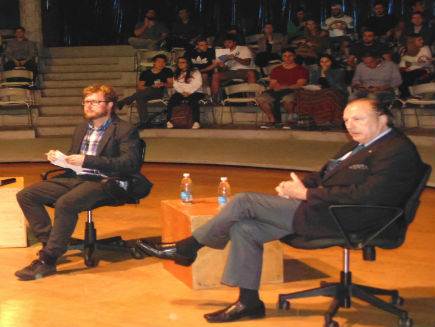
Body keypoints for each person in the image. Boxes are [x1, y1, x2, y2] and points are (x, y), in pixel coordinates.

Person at [137, 98, 423, 323]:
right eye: (347, 119)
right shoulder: (358, 145)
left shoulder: (395, 150)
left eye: (358, 119)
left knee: (245, 201)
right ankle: (249, 303)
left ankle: (187, 248)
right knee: (244, 228)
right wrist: (297, 185)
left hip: (351, 218)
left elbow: (368, 196)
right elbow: (325, 175)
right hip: (326, 208)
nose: (350, 125)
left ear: (383, 119)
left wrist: (307, 194)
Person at [15, 84, 150, 281]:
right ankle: (50, 243)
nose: (89, 106)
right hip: (77, 177)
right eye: (86, 102)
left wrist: (87, 160)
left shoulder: (124, 130)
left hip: (107, 180)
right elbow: (74, 159)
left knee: (66, 203)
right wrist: (60, 159)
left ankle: (48, 260)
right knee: (26, 195)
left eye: (95, 101)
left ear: (110, 105)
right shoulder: (81, 128)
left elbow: (129, 164)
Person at [256, 49, 308, 129]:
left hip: (293, 90)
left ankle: (292, 120)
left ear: (294, 57)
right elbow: (272, 84)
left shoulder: (301, 69)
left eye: (290, 56)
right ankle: (272, 120)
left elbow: (300, 84)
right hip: (278, 90)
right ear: (282, 57)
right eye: (285, 56)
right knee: (261, 99)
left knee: (288, 100)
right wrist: (276, 87)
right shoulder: (276, 69)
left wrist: (285, 87)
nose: (287, 58)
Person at [116, 54, 173, 127]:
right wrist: (150, 87)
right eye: (159, 62)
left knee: (143, 94)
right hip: (147, 93)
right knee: (140, 97)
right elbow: (140, 87)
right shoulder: (146, 73)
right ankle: (144, 121)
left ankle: (124, 102)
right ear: (154, 62)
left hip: (160, 92)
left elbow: (171, 84)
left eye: (163, 62)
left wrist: (163, 84)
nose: (161, 64)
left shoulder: (167, 71)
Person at [296, 54, 348, 125]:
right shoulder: (316, 71)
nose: (324, 64)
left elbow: (332, 83)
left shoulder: (339, 71)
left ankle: (327, 120)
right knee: (302, 93)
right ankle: (307, 119)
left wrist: (326, 71)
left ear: (331, 62)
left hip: (335, 91)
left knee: (328, 94)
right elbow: (312, 83)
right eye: (322, 62)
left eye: (326, 61)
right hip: (319, 91)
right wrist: (316, 85)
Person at [210, 35, 257, 101]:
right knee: (215, 75)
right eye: (225, 43)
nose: (227, 44)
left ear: (234, 42)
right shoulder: (223, 52)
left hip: (245, 70)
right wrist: (222, 66)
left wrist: (235, 58)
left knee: (251, 73)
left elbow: (247, 63)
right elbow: (224, 69)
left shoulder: (243, 49)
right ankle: (214, 100)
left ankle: (252, 99)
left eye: (229, 42)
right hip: (231, 71)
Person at [166, 57, 205, 129]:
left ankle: (196, 122)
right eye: (179, 62)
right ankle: (169, 121)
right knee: (172, 101)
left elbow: (198, 83)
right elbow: (176, 85)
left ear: (188, 63)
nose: (180, 64)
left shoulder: (195, 72)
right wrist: (182, 92)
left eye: (182, 62)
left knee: (193, 101)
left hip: (195, 92)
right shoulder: (177, 73)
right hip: (182, 92)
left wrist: (189, 92)